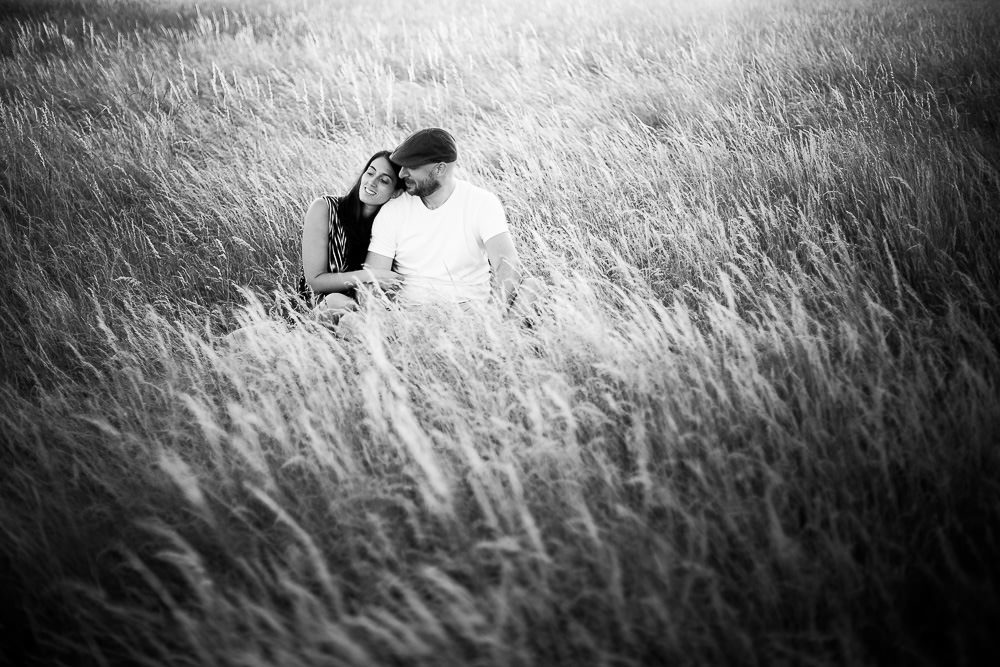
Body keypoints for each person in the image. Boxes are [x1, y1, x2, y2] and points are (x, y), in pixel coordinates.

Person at [363, 128, 537, 312]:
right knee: (350, 321)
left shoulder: (481, 202)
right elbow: (374, 278)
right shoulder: (394, 209)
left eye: (411, 167)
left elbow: (507, 263)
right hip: (412, 315)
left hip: (471, 311)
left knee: (533, 287)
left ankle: (496, 335)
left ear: (439, 168)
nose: (401, 174)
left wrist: (492, 316)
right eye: (402, 166)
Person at [298, 150, 405, 315]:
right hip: (315, 310)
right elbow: (314, 281)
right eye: (370, 173)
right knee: (338, 302)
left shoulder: (388, 229)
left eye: (384, 180)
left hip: (362, 314)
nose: (372, 182)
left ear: (396, 192)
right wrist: (371, 275)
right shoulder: (324, 208)